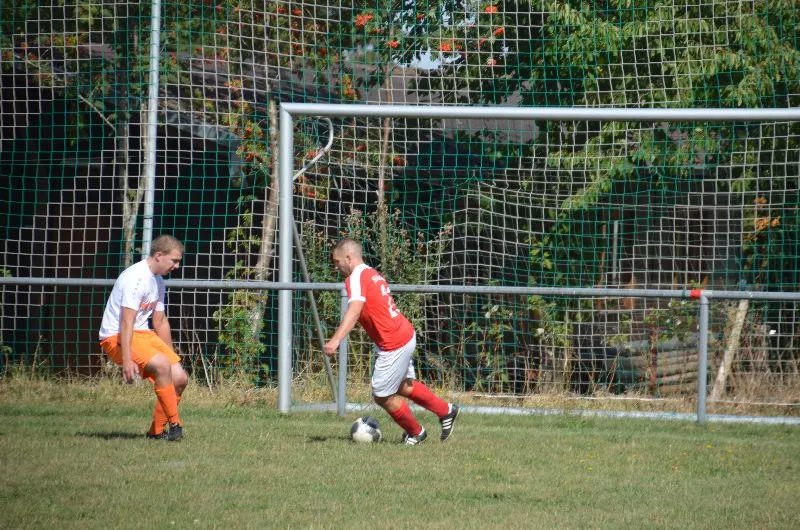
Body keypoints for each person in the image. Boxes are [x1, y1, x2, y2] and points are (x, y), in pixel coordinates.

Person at [323, 238, 459, 445]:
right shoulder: (371, 273)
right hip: (403, 333)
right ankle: (446, 411)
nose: (336, 266)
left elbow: (355, 310)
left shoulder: (355, 278)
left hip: (394, 342)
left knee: (382, 395)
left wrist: (335, 340)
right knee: (402, 386)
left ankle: (416, 432)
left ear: (348, 257)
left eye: (337, 261)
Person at [98, 234, 188, 441]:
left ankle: (155, 432)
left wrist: (172, 357)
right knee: (162, 365)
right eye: (174, 261)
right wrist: (127, 360)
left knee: (180, 378)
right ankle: (175, 424)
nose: (176, 266)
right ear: (158, 255)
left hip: (142, 334)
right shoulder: (136, 278)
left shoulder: (158, 281)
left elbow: (160, 321)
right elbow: (126, 321)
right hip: (116, 336)